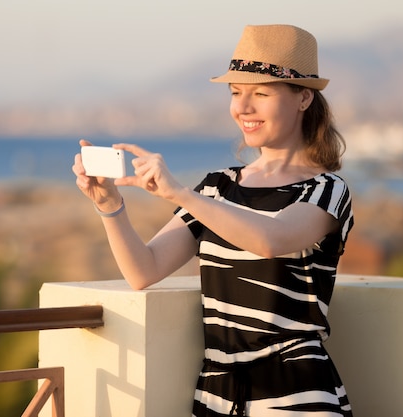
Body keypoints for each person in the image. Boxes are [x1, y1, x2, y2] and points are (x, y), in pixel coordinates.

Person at [73, 24, 354, 417]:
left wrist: (178, 193)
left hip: (295, 395)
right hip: (217, 394)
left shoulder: (326, 190)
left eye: (261, 92)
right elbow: (144, 270)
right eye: (236, 93)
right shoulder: (217, 188)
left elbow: (272, 239)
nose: (243, 108)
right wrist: (109, 205)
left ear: (304, 98)